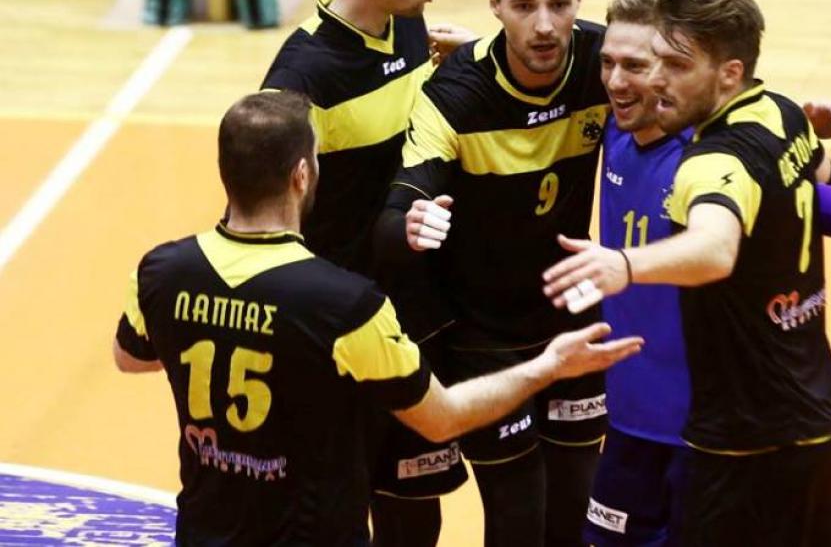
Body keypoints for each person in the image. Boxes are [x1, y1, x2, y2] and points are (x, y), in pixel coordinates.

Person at [112, 91, 643, 547]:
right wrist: (549, 366)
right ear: (302, 175)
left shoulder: (163, 271)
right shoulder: (344, 306)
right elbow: (444, 418)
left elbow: (129, 357)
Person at [543, 0, 831, 546]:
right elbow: (550, 41)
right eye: (608, 64)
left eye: (647, 66)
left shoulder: (704, 157)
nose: (621, 81)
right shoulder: (618, 127)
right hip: (634, 414)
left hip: (709, 425)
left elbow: (756, 213)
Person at [375, 0, 611, 547]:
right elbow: (401, 204)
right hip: (482, 337)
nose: (544, 25)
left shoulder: (604, 62)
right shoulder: (456, 96)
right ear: (495, 4)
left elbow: (695, 90)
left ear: (579, 0)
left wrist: (789, 126)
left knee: (575, 509)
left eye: (559, 4)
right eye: (524, 6)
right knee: (518, 514)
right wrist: (409, 223)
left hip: (571, 312)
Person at [259, 0, 473, 542]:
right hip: (335, 335)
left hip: (408, 316)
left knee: (415, 510)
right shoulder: (301, 81)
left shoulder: (406, 24)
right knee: (336, 516)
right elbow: (264, 215)